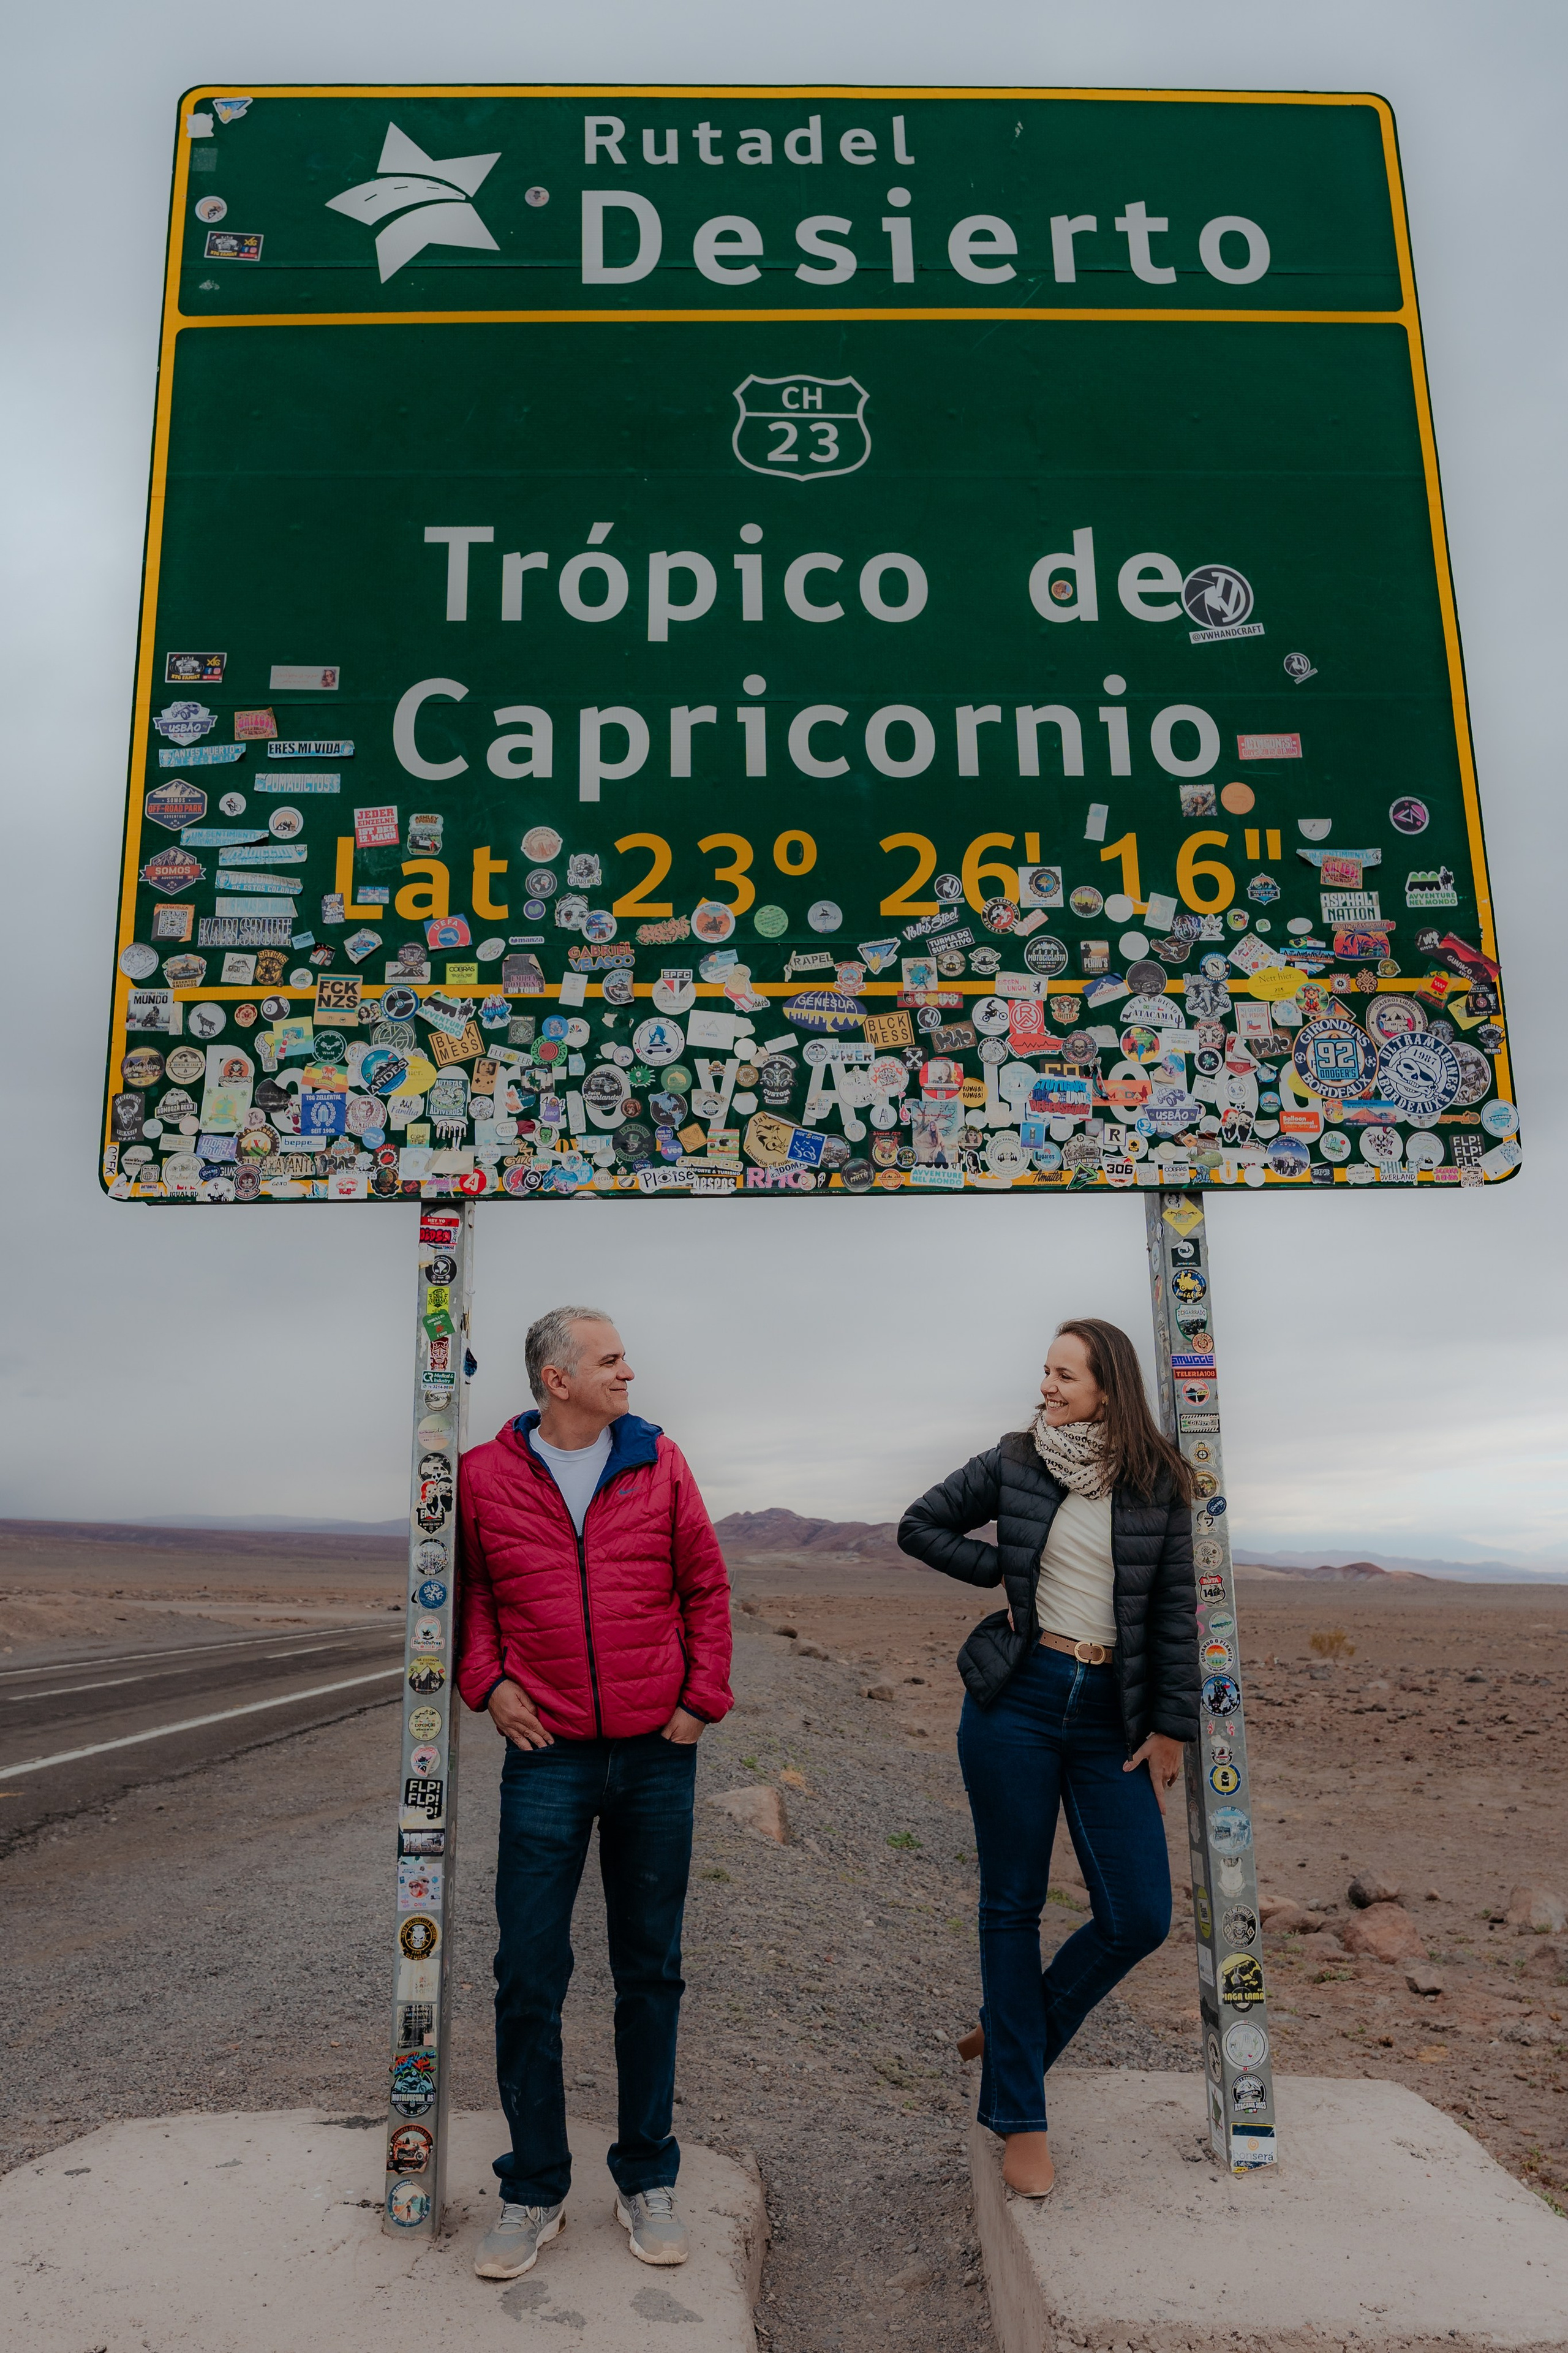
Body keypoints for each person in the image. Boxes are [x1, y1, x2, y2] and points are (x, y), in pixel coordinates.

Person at [456, 1307, 733, 2281]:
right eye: (610, 1358)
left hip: (659, 1751)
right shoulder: (486, 1476)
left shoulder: (660, 1461)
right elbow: (475, 1594)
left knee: (649, 1970)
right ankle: (533, 2188)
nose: (630, 1370)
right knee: (528, 1970)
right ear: (555, 1378)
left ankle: (647, 2176)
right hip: (548, 1754)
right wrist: (487, 1682)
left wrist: (702, 1699)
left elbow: (705, 1584)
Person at [897, 1318, 1197, 2200]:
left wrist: (1173, 1725)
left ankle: (1012, 2032)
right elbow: (919, 1524)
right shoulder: (1016, 1457)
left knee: (1139, 1913)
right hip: (1018, 1699)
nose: (1049, 1385)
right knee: (1012, 1904)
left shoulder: (1156, 1482)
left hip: (1113, 1714)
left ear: (1109, 1386)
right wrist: (1005, 1567)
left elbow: (1176, 1608)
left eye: (1066, 1373)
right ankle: (1022, 2115)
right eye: (1046, 1371)